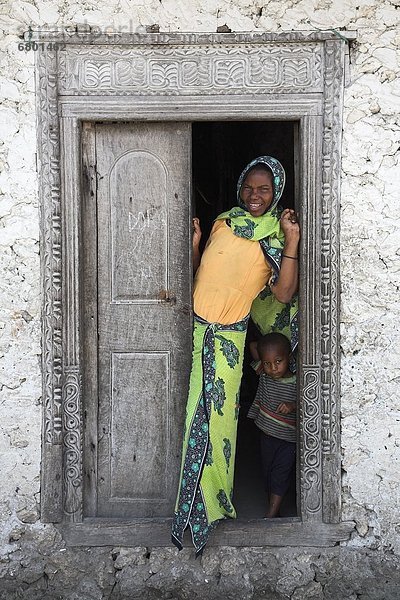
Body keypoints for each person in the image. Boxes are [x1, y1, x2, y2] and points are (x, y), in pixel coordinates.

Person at [171, 156, 300, 555]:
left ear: (276, 191)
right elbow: (199, 275)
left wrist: (292, 240)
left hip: (227, 337)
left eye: (264, 189)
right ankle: (191, 507)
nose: (255, 195)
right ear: (239, 188)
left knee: (216, 422)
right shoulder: (223, 222)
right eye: (249, 187)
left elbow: (282, 294)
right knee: (189, 416)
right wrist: (194, 245)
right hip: (191, 330)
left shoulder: (274, 235)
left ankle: (210, 507)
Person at [247, 332, 297, 518]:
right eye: (267, 363)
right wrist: (266, 349)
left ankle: (270, 515)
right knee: (268, 472)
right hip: (267, 435)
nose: (273, 368)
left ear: (289, 358)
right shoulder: (263, 374)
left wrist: (293, 405)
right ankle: (274, 510)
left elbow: (309, 401)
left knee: (280, 474)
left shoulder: (297, 380)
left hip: (288, 439)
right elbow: (253, 345)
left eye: (278, 361)